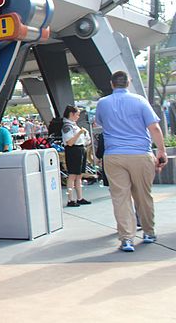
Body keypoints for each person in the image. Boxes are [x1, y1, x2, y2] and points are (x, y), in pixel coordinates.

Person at [94, 70, 168, 252]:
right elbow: (154, 128)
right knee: (143, 196)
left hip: (113, 156)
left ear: (112, 84)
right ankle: (149, 232)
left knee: (121, 198)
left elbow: (100, 123)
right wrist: (161, 151)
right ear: (129, 83)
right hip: (140, 154)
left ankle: (126, 238)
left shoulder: (102, 103)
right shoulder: (140, 101)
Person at [61, 105, 91, 208]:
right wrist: (79, 133)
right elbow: (69, 142)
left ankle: (79, 197)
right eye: (77, 114)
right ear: (72, 114)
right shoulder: (67, 126)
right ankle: (70, 199)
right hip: (73, 150)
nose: (78, 117)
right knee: (72, 175)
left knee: (79, 175)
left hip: (80, 149)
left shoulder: (74, 125)